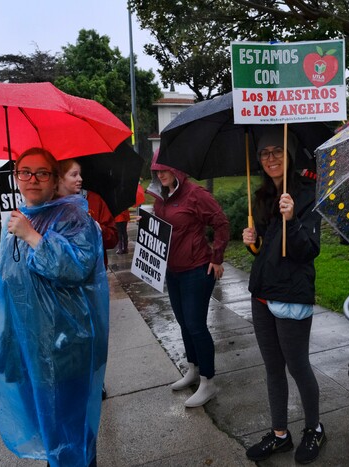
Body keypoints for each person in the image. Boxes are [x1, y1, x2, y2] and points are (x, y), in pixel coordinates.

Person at [0, 147, 109, 467]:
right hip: (26, 347)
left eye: (42, 172)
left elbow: (76, 269)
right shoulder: (17, 220)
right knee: (49, 433)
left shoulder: (74, 218)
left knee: (72, 434)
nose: (32, 179)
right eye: (25, 172)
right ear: (16, 177)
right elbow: (9, 271)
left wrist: (33, 236)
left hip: (64, 346)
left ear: (54, 179)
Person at [242, 127, 326, 464]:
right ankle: (280, 435)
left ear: (289, 154)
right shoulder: (262, 197)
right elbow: (265, 250)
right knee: (273, 368)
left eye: (277, 151)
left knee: (297, 365)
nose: (270, 158)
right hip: (262, 293)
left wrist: (292, 219)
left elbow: (309, 250)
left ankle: (314, 429)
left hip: (292, 294)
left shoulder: (306, 193)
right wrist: (252, 241)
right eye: (264, 153)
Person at [147, 155, 230, 407]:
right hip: (173, 271)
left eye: (164, 170)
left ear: (176, 169)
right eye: (156, 171)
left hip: (197, 270)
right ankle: (193, 370)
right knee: (184, 323)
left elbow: (221, 223)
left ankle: (208, 382)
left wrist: (216, 258)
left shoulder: (195, 194)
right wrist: (148, 225)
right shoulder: (162, 196)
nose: (160, 175)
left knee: (195, 325)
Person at [57, 158, 118, 267]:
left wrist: (96, 227)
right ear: (60, 178)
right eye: (74, 175)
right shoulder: (51, 205)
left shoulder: (94, 200)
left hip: (95, 273)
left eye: (80, 174)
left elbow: (113, 239)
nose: (80, 179)